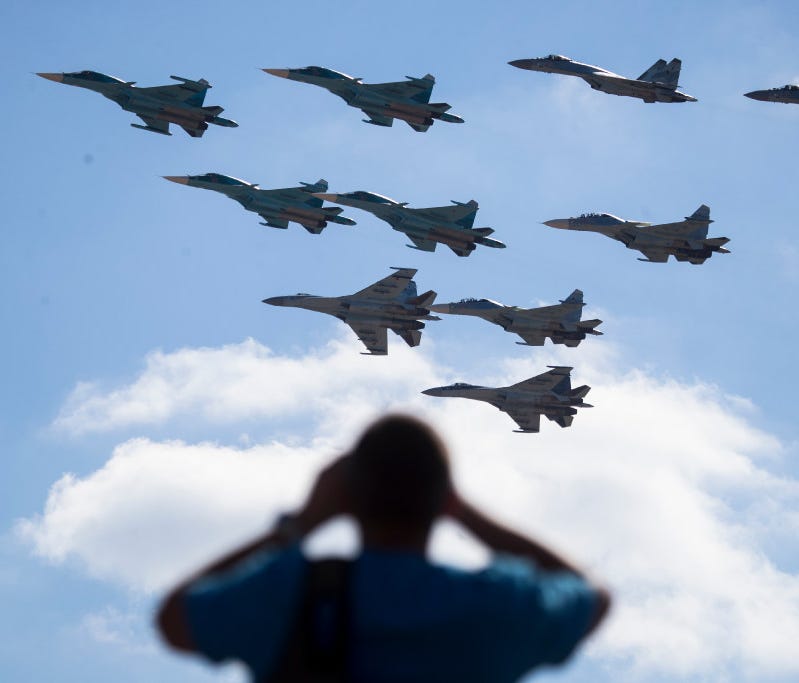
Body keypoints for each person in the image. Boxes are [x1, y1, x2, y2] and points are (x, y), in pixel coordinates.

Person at [157, 414, 611, 682]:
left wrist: (302, 523)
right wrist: (464, 512)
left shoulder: (289, 595)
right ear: (442, 499)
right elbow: (589, 595)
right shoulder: (495, 607)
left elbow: (173, 618)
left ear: (347, 498)